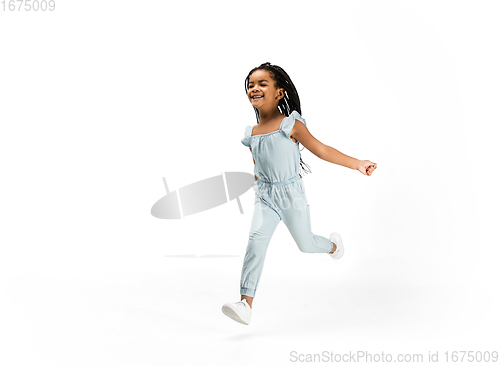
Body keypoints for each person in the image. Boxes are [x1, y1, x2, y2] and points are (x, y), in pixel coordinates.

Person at [221, 62, 377, 325]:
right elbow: (259, 162)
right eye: (250, 85)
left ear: (279, 93)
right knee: (256, 242)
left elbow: (322, 150)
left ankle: (333, 246)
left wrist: (357, 163)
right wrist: (260, 184)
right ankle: (245, 303)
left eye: (262, 84)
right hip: (265, 196)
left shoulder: (290, 125)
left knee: (305, 244)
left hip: (290, 195)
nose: (254, 88)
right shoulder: (252, 133)